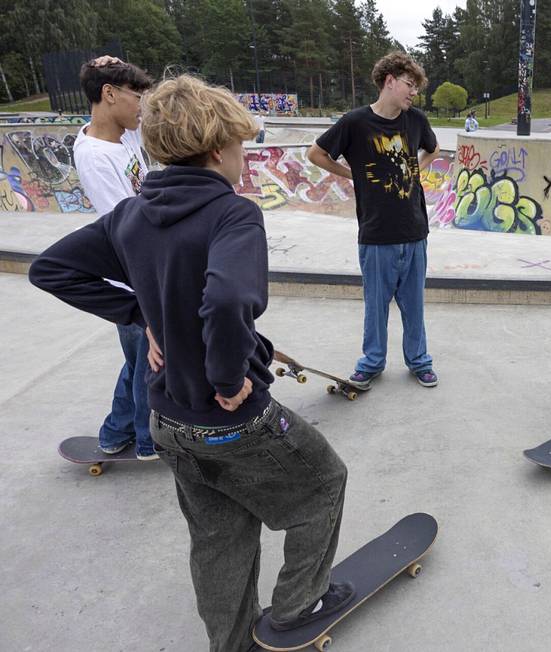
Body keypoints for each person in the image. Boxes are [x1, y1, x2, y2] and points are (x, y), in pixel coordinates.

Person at [29, 75, 352, 652]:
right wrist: (229, 380)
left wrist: (138, 314)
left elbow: (50, 269)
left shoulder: (130, 214)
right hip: (232, 420)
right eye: (241, 146)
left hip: (167, 420)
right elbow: (227, 300)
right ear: (215, 149)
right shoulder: (233, 214)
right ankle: (301, 605)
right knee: (323, 483)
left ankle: (230, 643)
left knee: (217, 536)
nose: (246, 159)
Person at [308, 51, 441, 391]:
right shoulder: (355, 122)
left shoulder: (416, 120)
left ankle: (419, 361)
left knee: (414, 304)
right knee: (376, 305)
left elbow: (433, 150)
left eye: (416, 88)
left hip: (414, 229)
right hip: (376, 232)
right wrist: (350, 174)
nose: (413, 93)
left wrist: (417, 169)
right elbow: (316, 153)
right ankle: (372, 363)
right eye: (409, 85)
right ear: (390, 81)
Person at [73, 55, 157, 460]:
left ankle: (114, 432)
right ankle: (147, 440)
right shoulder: (95, 156)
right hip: (131, 275)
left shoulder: (123, 135)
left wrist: (117, 65)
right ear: (109, 96)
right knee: (149, 362)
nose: (141, 104)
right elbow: (124, 226)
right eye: (135, 96)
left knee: (137, 359)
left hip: (138, 270)